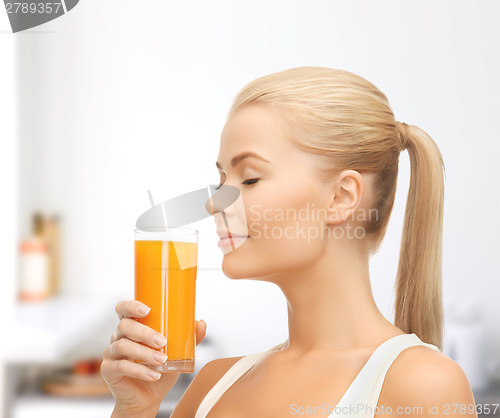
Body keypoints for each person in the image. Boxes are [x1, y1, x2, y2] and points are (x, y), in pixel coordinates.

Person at [102, 67, 477, 417]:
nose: (214, 202)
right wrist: (135, 409)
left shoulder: (423, 387)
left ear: (342, 197)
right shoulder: (210, 387)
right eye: (221, 179)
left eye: (249, 178)